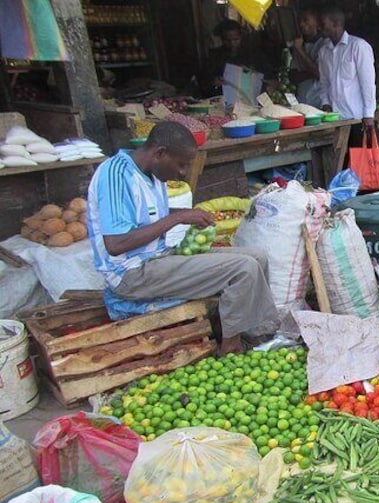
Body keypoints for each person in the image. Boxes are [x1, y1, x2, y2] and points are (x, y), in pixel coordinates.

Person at [86, 122, 280, 354]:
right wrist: (177, 218)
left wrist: (187, 216)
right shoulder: (116, 175)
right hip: (131, 274)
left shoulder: (151, 173)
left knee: (257, 257)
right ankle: (230, 348)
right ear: (160, 153)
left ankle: (255, 333)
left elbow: (146, 218)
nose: (183, 173)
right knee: (244, 268)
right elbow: (115, 244)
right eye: (181, 165)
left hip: (158, 259)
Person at [318, 5, 377, 145]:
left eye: (323, 23)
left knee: (357, 163)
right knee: (340, 163)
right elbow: (324, 83)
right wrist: (325, 103)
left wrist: (369, 115)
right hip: (334, 120)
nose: (320, 27)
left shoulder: (358, 47)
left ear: (336, 23)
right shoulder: (323, 51)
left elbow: (368, 84)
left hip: (355, 118)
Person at [199, 19, 269, 98]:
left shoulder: (252, 55)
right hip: (222, 99)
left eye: (236, 40)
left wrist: (253, 74)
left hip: (249, 98)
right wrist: (214, 82)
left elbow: (266, 77)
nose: (232, 43)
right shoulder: (215, 56)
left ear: (241, 37)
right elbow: (205, 81)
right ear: (222, 39)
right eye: (227, 40)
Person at [290, 8, 328, 108]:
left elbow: (320, 74)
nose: (302, 24)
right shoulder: (299, 44)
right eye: (300, 21)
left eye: (306, 20)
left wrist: (300, 50)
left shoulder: (325, 44)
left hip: (319, 100)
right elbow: (293, 76)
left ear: (318, 23)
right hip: (302, 100)